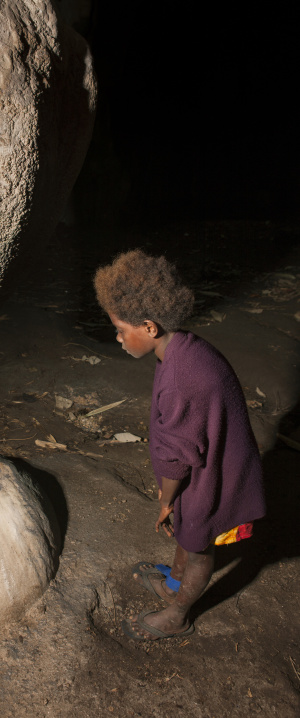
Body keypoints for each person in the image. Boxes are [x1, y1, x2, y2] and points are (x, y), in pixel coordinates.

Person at [94, 249, 266, 641]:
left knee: (200, 544)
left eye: (121, 329)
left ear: (149, 327)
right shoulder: (181, 348)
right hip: (208, 465)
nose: (117, 337)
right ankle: (174, 581)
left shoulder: (182, 377)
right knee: (187, 531)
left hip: (219, 480)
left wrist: (166, 500)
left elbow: (176, 459)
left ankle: (178, 613)